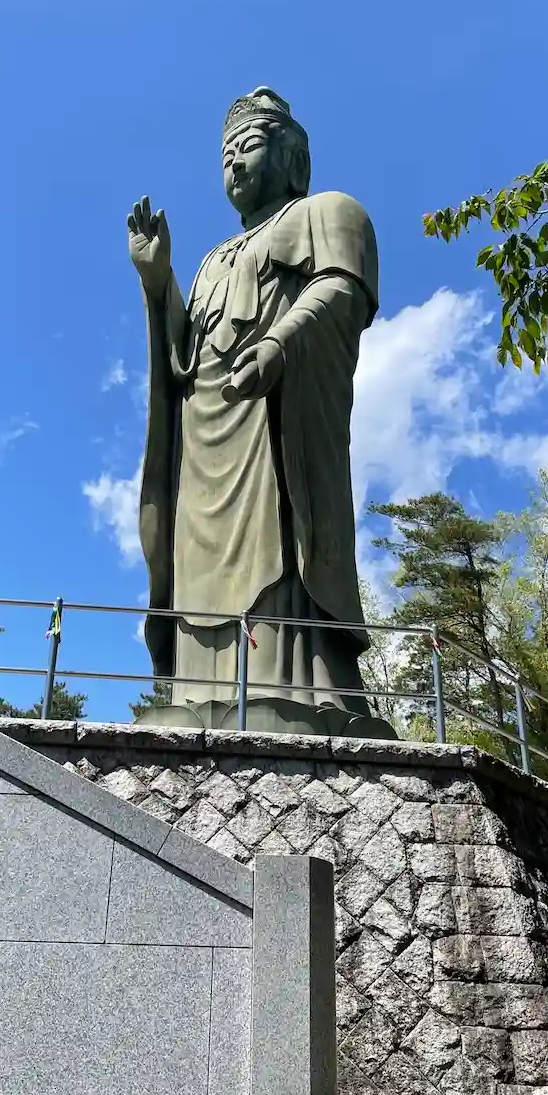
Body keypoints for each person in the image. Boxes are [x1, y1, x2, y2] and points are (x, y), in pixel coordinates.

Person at [128, 88, 391, 736]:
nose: (235, 166)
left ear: (293, 158)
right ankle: (195, 693)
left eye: (247, 148)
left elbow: (343, 288)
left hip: (272, 429)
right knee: (193, 572)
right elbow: (184, 355)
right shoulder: (211, 260)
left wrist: (280, 344)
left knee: (276, 546)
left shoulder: (327, 211)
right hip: (203, 441)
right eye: (225, 157)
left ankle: (295, 690)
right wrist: (158, 282)